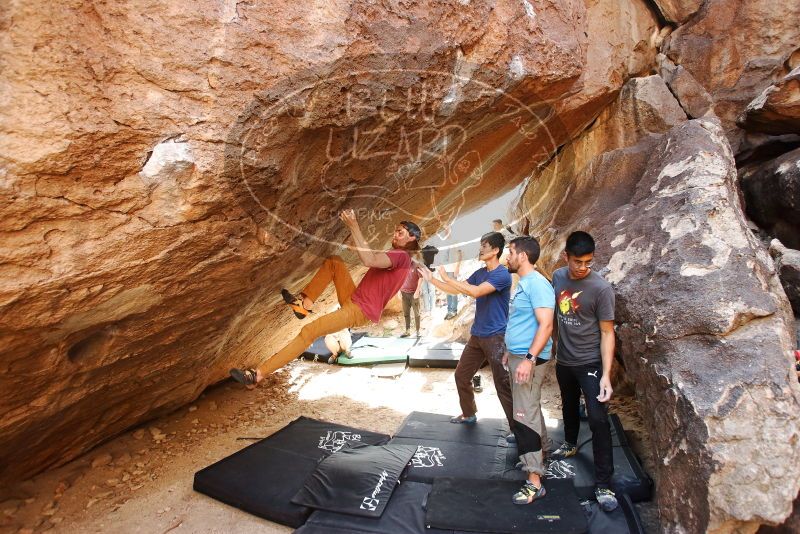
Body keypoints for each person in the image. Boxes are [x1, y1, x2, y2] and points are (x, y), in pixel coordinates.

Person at [229, 210, 421, 387]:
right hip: (354, 298)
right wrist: (354, 245)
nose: (395, 235)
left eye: (401, 233)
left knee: (309, 332)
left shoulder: (401, 256)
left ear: (412, 237)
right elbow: (371, 257)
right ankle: (304, 305)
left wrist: (354, 225)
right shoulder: (403, 259)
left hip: (358, 309)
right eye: (396, 231)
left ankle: (257, 375)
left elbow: (369, 260)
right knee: (334, 262)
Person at [550, 231, 618, 512]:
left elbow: (607, 333)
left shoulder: (601, 288)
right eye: (577, 261)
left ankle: (604, 483)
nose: (582, 267)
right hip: (564, 360)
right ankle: (569, 442)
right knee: (567, 402)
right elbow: (552, 315)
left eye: (588, 262)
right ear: (566, 256)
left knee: (599, 419)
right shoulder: (557, 277)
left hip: (590, 362)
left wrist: (606, 374)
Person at [418, 232, 514, 427]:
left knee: (502, 384)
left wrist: (448, 277)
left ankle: (516, 428)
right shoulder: (480, 273)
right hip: (477, 335)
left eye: (484, 246)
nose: (480, 249)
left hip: (496, 336)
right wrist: (432, 279)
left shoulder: (502, 274)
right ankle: (469, 413)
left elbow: (476, 291)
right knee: (462, 375)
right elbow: (457, 290)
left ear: (495, 250)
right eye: (480, 245)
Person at [502, 236, 554, 505]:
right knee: (529, 408)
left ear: (522, 256)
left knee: (523, 415)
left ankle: (534, 480)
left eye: (510, 252)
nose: (506, 257)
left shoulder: (538, 284)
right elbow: (521, 322)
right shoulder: (523, 283)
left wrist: (528, 359)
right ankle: (543, 450)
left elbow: (546, 325)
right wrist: (509, 352)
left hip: (529, 359)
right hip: (518, 356)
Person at [399, 266, 422, 337]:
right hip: (404, 293)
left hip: (414, 293)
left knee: (416, 313)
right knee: (406, 313)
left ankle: (418, 331)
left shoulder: (416, 265)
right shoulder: (401, 265)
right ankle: (407, 331)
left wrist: (417, 291)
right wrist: (399, 290)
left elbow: (421, 278)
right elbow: (399, 278)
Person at [443, 246, 463, 320]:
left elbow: (460, 254)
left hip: (452, 270)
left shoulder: (454, 241)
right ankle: (449, 311)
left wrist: (457, 267)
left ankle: (453, 311)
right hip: (446, 270)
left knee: (453, 291)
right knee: (447, 291)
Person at [419, 245, 439, 313]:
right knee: (427, 291)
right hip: (425, 272)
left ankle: (431, 309)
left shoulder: (425, 250)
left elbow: (437, 251)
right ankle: (428, 309)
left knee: (430, 291)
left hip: (430, 272)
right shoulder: (424, 250)